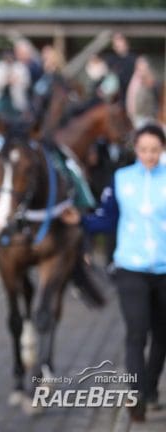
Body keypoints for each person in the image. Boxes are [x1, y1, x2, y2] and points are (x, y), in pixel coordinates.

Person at [63, 124, 166, 422]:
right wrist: (80, 221)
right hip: (131, 268)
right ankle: (136, 396)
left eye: (154, 150)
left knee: (161, 335)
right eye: (144, 149)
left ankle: (150, 384)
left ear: (161, 150)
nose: (149, 155)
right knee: (137, 332)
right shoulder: (121, 180)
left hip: (163, 270)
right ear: (136, 149)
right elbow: (107, 220)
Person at [0, 49, 30, 119]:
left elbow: (26, 83)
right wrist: (5, 81)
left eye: (11, 57)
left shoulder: (20, 67)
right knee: (0, 118)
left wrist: (17, 81)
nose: (9, 59)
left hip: (16, 101)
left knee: (15, 119)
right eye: (7, 57)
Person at [126, 55, 160, 129]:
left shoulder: (150, 77)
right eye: (139, 65)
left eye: (142, 65)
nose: (140, 68)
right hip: (136, 115)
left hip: (148, 115)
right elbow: (131, 96)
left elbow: (156, 92)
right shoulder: (134, 78)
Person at [105, 32, 136, 107]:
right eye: (115, 42)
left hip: (129, 96)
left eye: (119, 40)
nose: (117, 44)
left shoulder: (133, 60)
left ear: (125, 42)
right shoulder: (111, 60)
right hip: (112, 97)